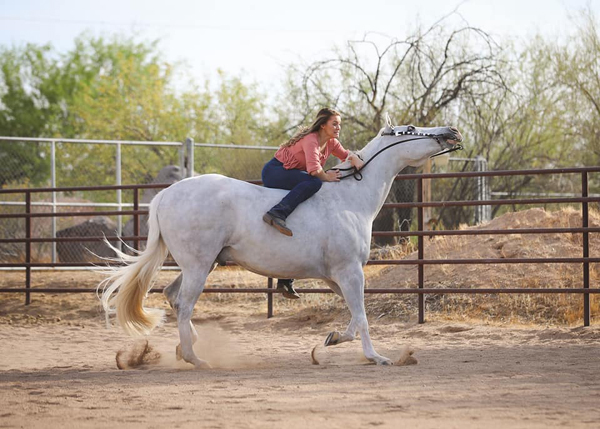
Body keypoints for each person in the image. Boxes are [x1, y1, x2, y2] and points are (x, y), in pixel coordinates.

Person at [261, 108, 364, 299]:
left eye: (339, 124)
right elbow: (315, 171)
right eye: (334, 124)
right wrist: (328, 176)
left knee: (304, 210)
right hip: (275, 172)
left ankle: (285, 278)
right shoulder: (311, 140)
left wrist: (355, 157)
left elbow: (345, 154)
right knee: (315, 183)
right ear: (323, 125)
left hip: (293, 175)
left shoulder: (331, 142)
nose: (338, 127)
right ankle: (277, 213)